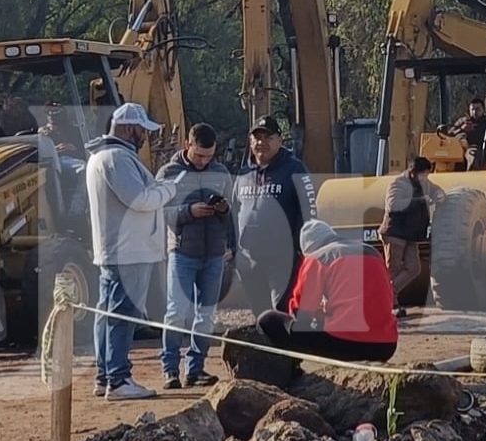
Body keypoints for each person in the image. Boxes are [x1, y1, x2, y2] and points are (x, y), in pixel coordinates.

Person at [86, 102, 178, 400]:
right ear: (127, 128)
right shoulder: (117, 158)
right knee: (122, 314)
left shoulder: (103, 156)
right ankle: (119, 378)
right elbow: (139, 199)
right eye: (141, 130)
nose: (144, 136)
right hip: (130, 249)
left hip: (116, 247)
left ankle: (105, 375)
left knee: (108, 312)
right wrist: (167, 188)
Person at [154, 122, 235, 389]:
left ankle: (196, 368)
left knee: (206, 315)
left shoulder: (221, 173)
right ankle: (170, 370)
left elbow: (232, 214)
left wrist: (230, 241)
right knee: (176, 312)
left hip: (213, 254)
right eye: (199, 156)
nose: (203, 162)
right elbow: (158, 213)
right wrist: (189, 211)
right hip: (182, 252)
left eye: (209, 157)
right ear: (187, 145)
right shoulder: (169, 173)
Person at [257, 219, 397, 363]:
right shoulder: (372, 252)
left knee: (268, 319)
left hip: (348, 343)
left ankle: (289, 369)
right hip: (386, 344)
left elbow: (301, 314)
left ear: (307, 250)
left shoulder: (317, 257)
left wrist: (319, 316)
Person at [234, 116, 318, 316]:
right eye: (257, 138)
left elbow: (309, 211)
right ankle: (265, 348)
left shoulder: (295, 169)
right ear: (250, 141)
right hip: (249, 259)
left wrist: (302, 248)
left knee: (282, 311)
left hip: (282, 258)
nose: (261, 142)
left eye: (268, 137)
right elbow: (234, 210)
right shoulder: (243, 173)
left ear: (280, 140)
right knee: (260, 315)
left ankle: (288, 347)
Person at [380, 156, 442, 317]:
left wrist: (440, 195)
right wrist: (420, 201)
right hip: (395, 233)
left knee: (414, 268)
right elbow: (393, 205)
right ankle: (390, 304)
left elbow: (434, 189)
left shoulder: (423, 183)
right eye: (424, 174)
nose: (426, 178)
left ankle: (387, 293)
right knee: (393, 269)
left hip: (410, 235)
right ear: (413, 172)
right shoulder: (398, 184)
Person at [440, 97, 486, 170]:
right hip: (469, 148)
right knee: (472, 155)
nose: (474, 112)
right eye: (472, 109)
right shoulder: (463, 121)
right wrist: (462, 129)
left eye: (477, 109)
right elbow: (449, 135)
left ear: (483, 109)